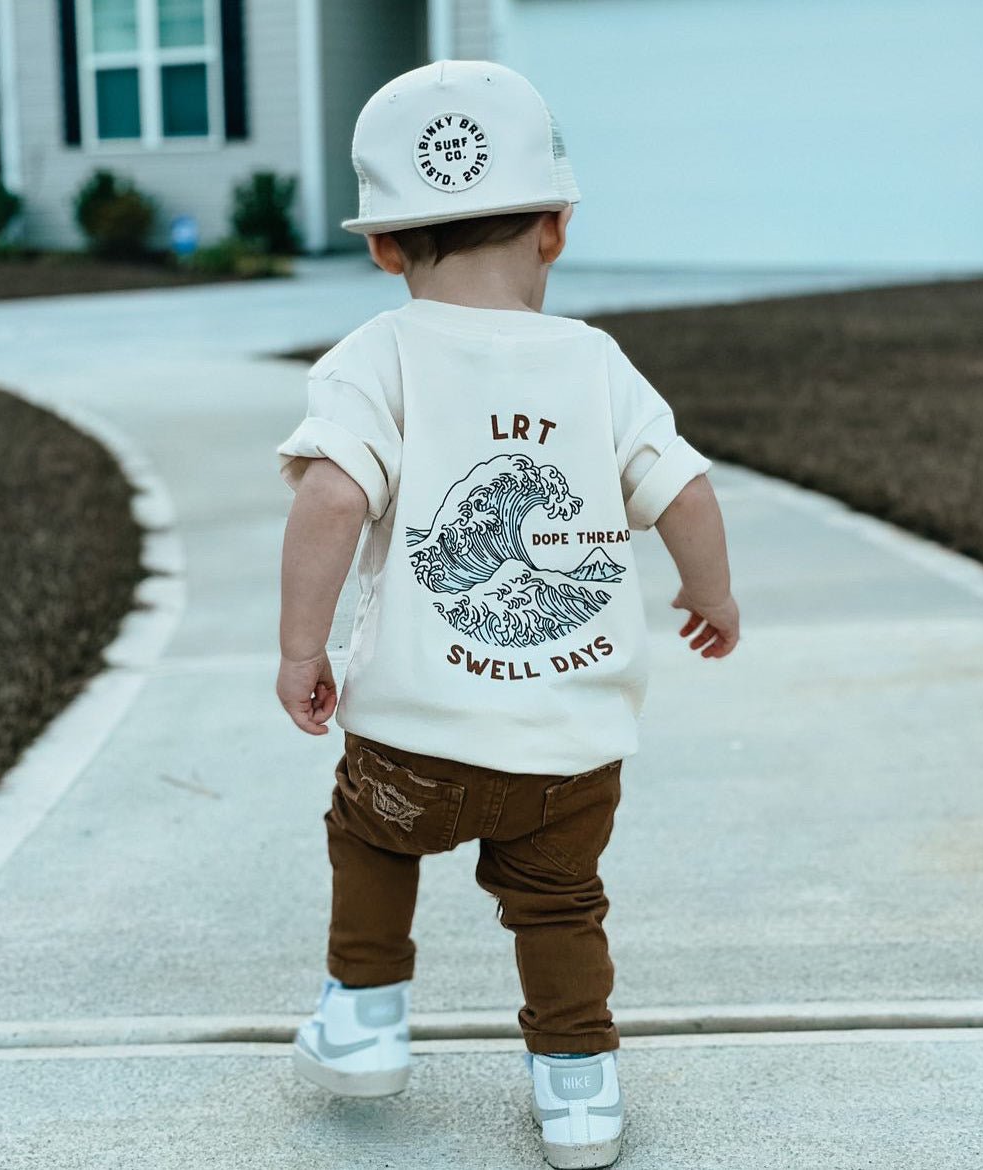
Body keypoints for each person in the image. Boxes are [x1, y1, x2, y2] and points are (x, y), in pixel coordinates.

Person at [274, 59, 739, 1169]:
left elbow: (334, 494)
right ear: (556, 228)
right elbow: (686, 490)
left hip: (414, 734)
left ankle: (367, 1023)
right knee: (561, 903)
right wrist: (710, 596)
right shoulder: (598, 364)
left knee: (370, 838)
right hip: (569, 747)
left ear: (383, 244)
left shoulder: (372, 357)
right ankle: (578, 1090)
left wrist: (304, 648)